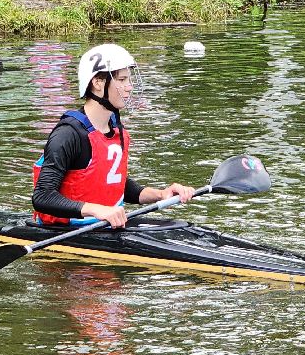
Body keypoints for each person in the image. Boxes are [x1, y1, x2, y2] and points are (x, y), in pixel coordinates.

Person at [31, 43, 194, 227]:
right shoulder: (67, 134)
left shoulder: (116, 130)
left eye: (129, 80)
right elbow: (42, 196)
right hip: (66, 231)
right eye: (122, 80)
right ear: (98, 82)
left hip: (105, 226)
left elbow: (114, 184)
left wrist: (161, 194)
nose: (129, 87)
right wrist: (97, 209)